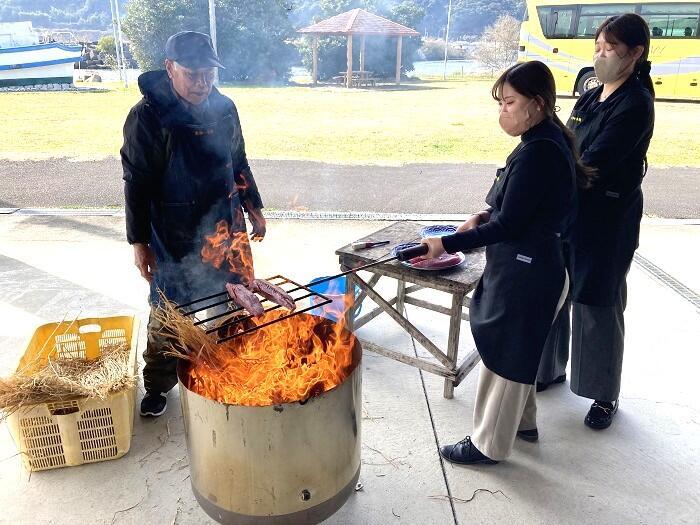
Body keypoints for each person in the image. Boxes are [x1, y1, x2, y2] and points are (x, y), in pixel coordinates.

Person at [421, 61, 591, 465]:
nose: (503, 112)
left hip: (530, 272)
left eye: (509, 102)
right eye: (499, 103)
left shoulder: (540, 152)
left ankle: (488, 445)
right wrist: (480, 218)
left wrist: (445, 242)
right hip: (533, 266)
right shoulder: (540, 139)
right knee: (518, 350)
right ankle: (523, 424)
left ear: (537, 103)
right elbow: (518, 208)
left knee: (506, 356)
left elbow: (511, 223)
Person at [121, 31, 268, 417]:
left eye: (208, 74)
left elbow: (238, 160)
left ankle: (234, 367)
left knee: (236, 299)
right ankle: (156, 385)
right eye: (192, 74)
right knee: (170, 313)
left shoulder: (224, 108)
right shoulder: (147, 116)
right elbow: (136, 182)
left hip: (225, 223)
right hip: (175, 233)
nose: (202, 83)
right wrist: (139, 241)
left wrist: (253, 204)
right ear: (170, 68)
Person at [537, 14, 655, 430]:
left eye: (609, 48)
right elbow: (566, 139)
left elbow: (596, 160)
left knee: (596, 301)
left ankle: (604, 393)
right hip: (571, 211)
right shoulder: (592, 95)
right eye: (597, 47)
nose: (600, 55)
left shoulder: (635, 102)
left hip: (607, 219)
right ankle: (549, 370)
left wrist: (548, 180)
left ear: (634, 53)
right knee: (556, 290)